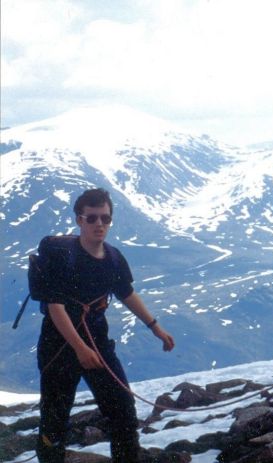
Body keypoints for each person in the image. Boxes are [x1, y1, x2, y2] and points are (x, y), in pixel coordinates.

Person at [33, 188, 175, 463]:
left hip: (97, 342)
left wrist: (155, 327)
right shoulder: (63, 257)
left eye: (105, 219)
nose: (99, 224)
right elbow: (55, 307)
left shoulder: (113, 258)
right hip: (59, 347)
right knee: (55, 416)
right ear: (80, 220)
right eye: (93, 218)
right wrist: (80, 349)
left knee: (122, 407)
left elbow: (126, 293)